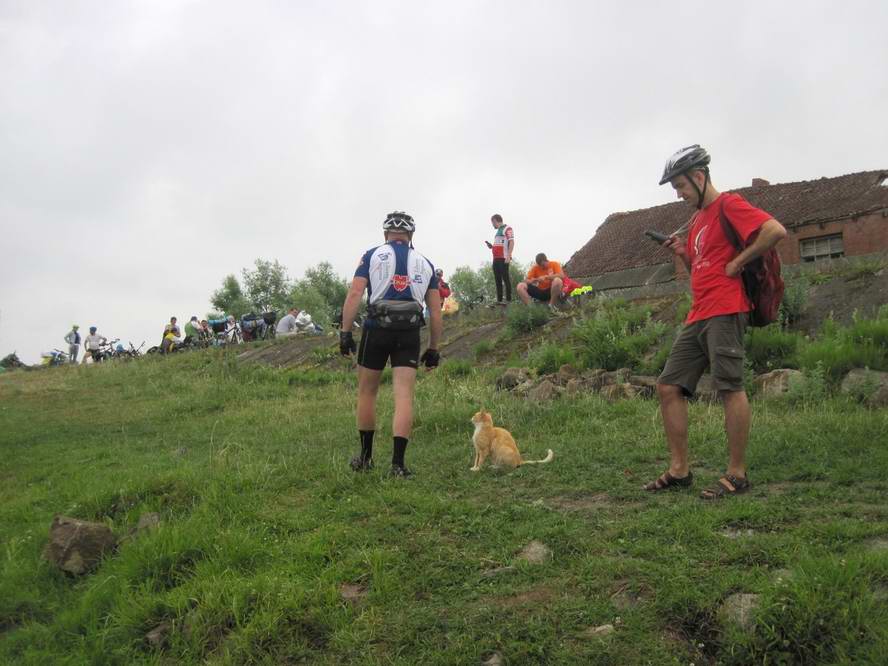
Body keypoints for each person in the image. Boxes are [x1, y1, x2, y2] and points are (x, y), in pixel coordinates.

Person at [646, 144, 787, 499]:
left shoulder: (729, 205)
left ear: (698, 176)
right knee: (668, 386)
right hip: (699, 313)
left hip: (727, 310)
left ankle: (737, 474)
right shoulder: (697, 221)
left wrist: (739, 262)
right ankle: (680, 471)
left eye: (680, 185)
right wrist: (683, 254)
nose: (678, 194)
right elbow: (701, 269)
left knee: (729, 388)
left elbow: (774, 231)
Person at [339, 211, 443, 478]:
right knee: (404, 396)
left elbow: (355, 293)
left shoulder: (372, 255)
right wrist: (434, 349)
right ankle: (398, 465)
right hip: (408, 332)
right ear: (410, 236)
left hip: (377, 329)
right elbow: (435, 311)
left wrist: (345, 332)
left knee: (367, 392)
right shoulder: (426, 263)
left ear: (386, 234)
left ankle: (365, 458)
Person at [485, 213, 514, 304]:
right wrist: (491, 246)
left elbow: (512, 242)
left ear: (495, 221)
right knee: (497, 279)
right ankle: (499, 300)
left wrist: (509, 256)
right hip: (496, 258)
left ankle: (508, 300)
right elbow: (499, 244)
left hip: (503, 257)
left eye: (492, 223)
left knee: (505, 278)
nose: (492, 225)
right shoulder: (498, 232)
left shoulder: (507, 228)